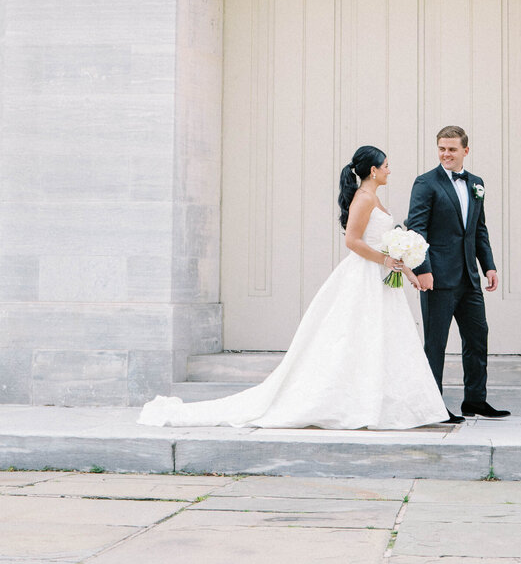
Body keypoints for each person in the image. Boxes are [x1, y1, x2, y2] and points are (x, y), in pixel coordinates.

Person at [136, 145, 449, 430]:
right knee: (355, 337)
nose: (389, 170)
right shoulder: (364, 198)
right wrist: (385, 260)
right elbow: (352, 241)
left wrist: (405, 268)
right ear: (373, 171)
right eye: (386, 165)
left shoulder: (376, 198)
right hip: (364, 277)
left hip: (380, 278)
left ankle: (384, 403)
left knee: (382, 338)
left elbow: (385, 243)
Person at [406, 125, 510, 421]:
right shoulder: (426, 183)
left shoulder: (476, 183)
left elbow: (479, 229)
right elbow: (417, 228)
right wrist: (423, 269)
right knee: (435, 343)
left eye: (452, 149)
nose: (446, 154)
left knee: (478, 338)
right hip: (437, 278)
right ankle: (433, 407)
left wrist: (488, 265)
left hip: (469, 278)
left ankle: (475, 401)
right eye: (441, 148)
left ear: (466, 150)